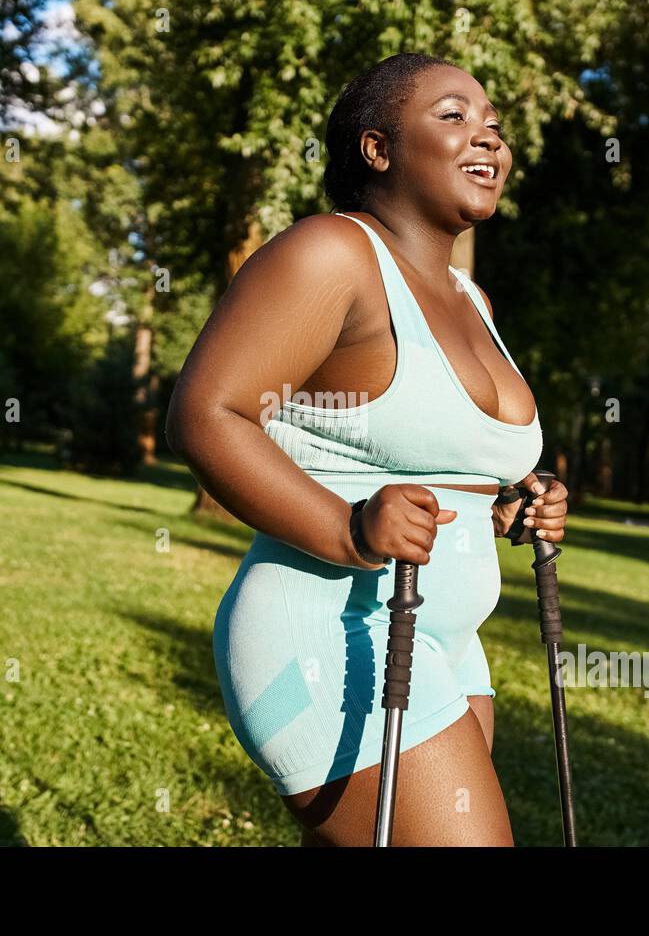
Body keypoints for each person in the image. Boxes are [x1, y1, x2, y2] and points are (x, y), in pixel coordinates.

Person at [165, 52, 570, 846]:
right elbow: (207, 414)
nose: (488, 137)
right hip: (326, 637)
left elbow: (431, 462)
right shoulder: (330, 254)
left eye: (495, 125)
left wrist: (517, 497)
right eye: (453, 117)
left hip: (444, 644)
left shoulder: (471, 297)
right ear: (377, 148)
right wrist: (349, 528)